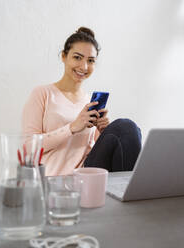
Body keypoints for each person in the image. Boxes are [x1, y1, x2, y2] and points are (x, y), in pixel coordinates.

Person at [22, 27, 142, 176]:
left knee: (128, 129)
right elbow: (28, 147)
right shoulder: (42, 94)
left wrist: (102, 131)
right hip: (54, 178)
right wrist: (72, 127)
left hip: (86, 174)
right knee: (125, 126)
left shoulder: (90, 102)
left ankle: (126, 192)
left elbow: (93, 151)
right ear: (64, 56)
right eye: (77, 57)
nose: (84, 67)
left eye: (90, 61)